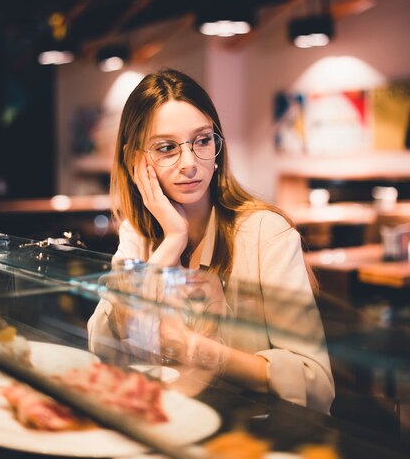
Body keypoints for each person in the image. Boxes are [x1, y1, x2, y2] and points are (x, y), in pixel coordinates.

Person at [88, 68, 335, 413]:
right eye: (167, 148)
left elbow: (317, 384)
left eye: (202, 140)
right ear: (135, 161)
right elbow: (102, 339)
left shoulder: (267, 233)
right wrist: (173, 240)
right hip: (163, 419)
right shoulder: (138, 232)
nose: (190, 163)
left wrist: (201, 350)